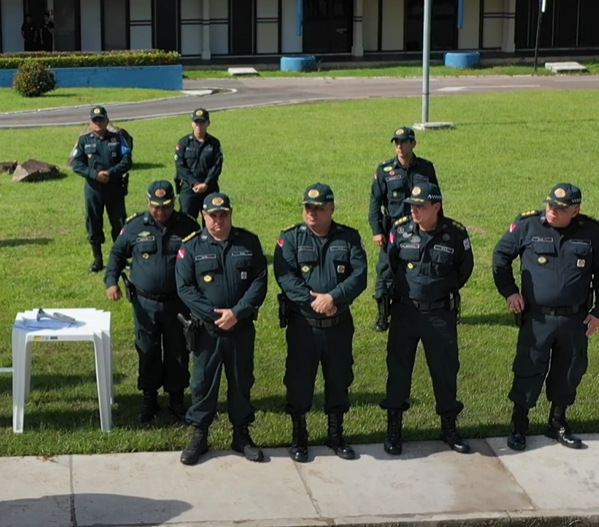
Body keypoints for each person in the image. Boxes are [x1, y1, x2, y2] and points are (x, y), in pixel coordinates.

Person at [492, 183, 599, 452]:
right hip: (537, 319)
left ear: (576, 211)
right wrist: (510, 293)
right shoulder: (528, 226)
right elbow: (501, 257)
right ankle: (519, 425)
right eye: (550, 205)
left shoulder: (590, 231)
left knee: (568, 372)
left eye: (560, 209)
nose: (552, 212)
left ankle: (557, 422)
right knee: (528, 369)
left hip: (574, 320)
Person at [274, 183, 367, 462]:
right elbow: (285, 277)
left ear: (332, 209)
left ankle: (336, 435)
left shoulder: (349, 238)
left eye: (318, 208)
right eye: (308, 208)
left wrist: (334, 297)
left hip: (338, 324)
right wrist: (315, 301)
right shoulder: (290, 239)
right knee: (299, 381)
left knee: (339, 379)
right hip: (304, 325)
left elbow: (359, 275)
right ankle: (299, 437)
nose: (312, 213)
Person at [379, 182, 475, 455]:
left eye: (420, 206)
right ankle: (394, 430)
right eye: (412, 206)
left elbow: (464, 269)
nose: (414, 211)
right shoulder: (400, 230)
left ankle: (449, 428)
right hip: (405, 312)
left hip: (439, 315)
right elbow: (390, 265)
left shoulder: (455, 234)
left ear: (436, 207)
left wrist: (439, 289)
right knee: (398, 372)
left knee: (445, 371)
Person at [175, 192, 268, 465]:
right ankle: (199, 436)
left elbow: (259, 282)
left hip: (240, 329)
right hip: (207, 331)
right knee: (203, 383)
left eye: (223, 215)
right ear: (204, 216)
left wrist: (237, 313)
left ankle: (241, 435)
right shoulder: (191, 247)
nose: (219, 221)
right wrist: (214, 315)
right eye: (213, 216)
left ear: (231, 214)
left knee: (241, 382)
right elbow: (185, 287)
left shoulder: (248, 242)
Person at [104, 181, 199, 425]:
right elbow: (117, 254)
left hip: (178, 303)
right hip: (146, 304)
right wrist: (111, 282)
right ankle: (149, 399)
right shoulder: (135, 227)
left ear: (173, 203)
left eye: (166, 207)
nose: (160, 212)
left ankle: (176, 400)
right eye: (156, 207)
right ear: (148, 203)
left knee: (178, 351)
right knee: (147, 350)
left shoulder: (188, 226)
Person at [369, 127, 439, 333]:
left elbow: (436, 199)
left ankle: (431, 307)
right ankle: (383, 315)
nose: (399, 146)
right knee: (386, 271)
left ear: (413, 144)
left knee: (426, 266)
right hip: (393, 230)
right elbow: (375, 203)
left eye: (403, 142)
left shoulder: (426, 168)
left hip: (421, 227)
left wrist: (436, 225)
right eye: (396, 142)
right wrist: (377, 231)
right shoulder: (385, 171)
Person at [70, 106, 132, 273]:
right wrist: (94, 174)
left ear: (107, 121)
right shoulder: (83, 141)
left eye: (101, 119)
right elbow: (76, 164)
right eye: (95, 120)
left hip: (114, 187)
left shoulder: (118, 139)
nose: (98, 123)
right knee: (93, 222)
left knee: (119, 223)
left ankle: (121, 259)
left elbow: (127, 161)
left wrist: (110, 173)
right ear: (90, 123)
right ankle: (98, 259)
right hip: (93, 188)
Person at [174, 108, 223, 220]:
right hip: (189, 187)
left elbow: (217, 166)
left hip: (209, 187)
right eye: (196, 122)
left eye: (202, 122)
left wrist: (205, 184)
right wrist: (195, 183)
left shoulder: (214, 143)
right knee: (186, 222)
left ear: (208, 123)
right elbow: (180, 166)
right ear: (192, 123)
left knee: (212, 220)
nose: (199, 126)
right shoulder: (184, 143)